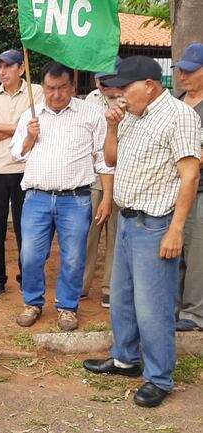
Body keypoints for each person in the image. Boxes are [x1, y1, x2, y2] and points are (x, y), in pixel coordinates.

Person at [84, 56, 201, 408]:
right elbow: (112, 159)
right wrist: (112, 127)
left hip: (156, 225)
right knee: (121, 299)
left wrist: (175, 230)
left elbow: (190, 175)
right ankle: (125, 359)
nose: (117, 93)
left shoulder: (179, 116)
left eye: (124, 87)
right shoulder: (131, 115)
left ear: (150, 85)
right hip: (127, 222)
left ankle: (159, 377)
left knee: (153, 308)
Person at [9, 62, 113, 331]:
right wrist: (29, 138)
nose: (55, 95)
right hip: (36, 198)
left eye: (61, 88)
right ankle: (32, 302)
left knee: (73, 257)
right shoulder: (31, 116)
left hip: (76, 200)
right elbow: (16, 154)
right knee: (30, 255)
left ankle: (67, 308)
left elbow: (103, 160)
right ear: (42, 88)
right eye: (50, 88)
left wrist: (107, 196)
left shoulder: (91, 114)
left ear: (73, 87)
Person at [0, 49, 44, 301]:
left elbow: (35, 128)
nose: (2, 72)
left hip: (24, 169)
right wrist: (17, 128)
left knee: (24, 228)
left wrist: (0, 127)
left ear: (21, 68)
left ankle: (27, 278)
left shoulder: (35, 92)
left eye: (7, 66)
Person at [83, 59, 124, 308]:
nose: (103, 85)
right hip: (94, 179)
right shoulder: (90, 101)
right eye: (100, 80)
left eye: (108, 80)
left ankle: (110, 287)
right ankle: (82, 285)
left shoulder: (130, 102)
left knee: (115, 238)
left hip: (121, 180)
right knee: (88, 235)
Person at [175, 43, 203, 332]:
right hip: (175, 188)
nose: (183, 75)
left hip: (199, 189)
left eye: (191, 71)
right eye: (181, 70)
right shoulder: (180, 101)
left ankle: (195, 314)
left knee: (197, 253)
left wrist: (187, 157)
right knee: (176, 249)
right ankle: (173, 307)